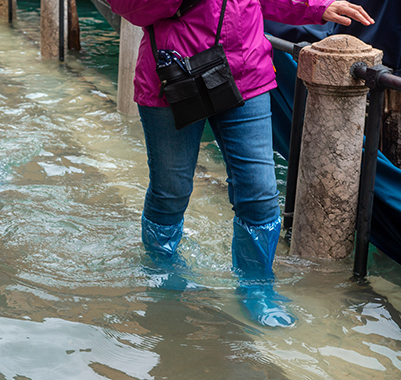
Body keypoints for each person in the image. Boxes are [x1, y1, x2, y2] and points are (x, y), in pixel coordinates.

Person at [107, 0, 374, 327]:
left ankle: (257, 287)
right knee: (170, 189)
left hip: (244, 72)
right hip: (172, 77)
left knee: (260, 192)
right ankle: (162, 267)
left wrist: (316, 6)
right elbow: (130, 8)